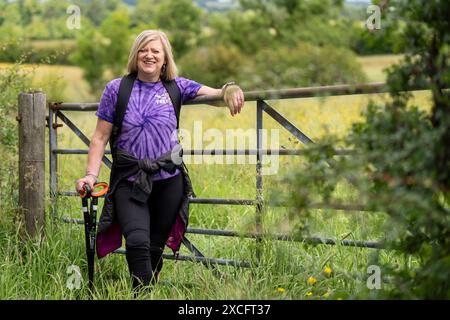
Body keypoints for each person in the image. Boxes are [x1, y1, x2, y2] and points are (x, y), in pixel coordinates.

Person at [75, 29, 244, 292]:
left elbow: (217, 96)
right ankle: (141, 294)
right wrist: (90, 176)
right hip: (130, 179)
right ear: (136, 55)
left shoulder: (177, 86)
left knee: (154, 247)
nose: (149, 55)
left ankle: (143, 292)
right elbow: (99, 137)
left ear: (165, 58)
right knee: (138, 242)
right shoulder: (117, 89)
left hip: (169, 180)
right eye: (144, 50)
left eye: (156, 51)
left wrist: (230, 88)